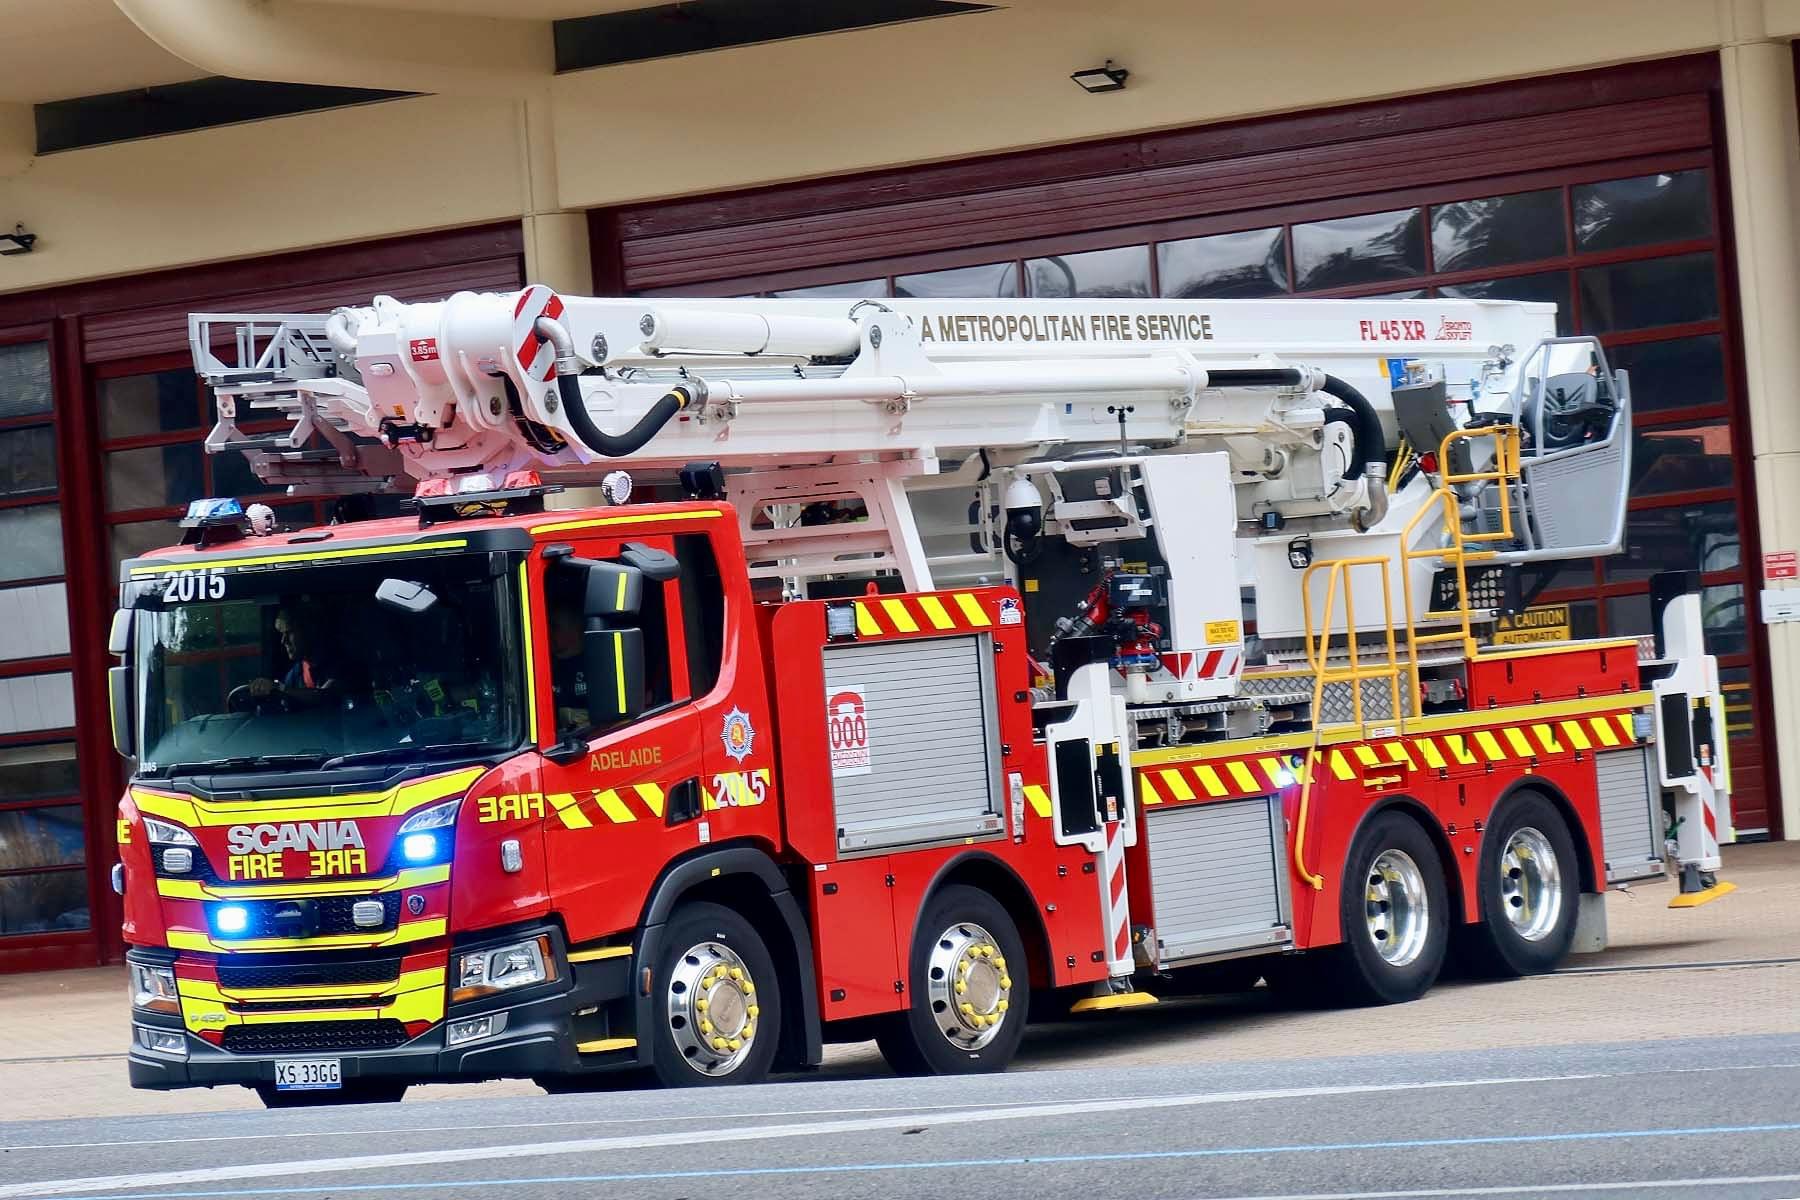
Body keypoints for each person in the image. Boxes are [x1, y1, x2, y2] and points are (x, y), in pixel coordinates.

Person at [248, 604, 335, 700]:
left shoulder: (338, 665)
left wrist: (279, 688)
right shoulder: (295, 673)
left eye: (289, 632)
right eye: (282, 634)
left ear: (309, 631)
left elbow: (326, 697)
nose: (283, 641)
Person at [547, 599, 589, 735]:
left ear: (576, 628)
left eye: (555, 626)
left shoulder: (598, 664)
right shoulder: (541, 667)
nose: (548, 631)